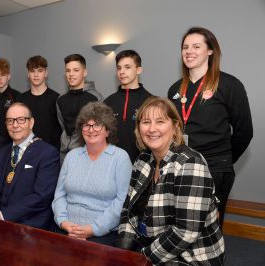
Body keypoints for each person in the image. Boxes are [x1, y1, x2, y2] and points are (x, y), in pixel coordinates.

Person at [115, 96, 225, 265]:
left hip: (191, 257)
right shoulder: (142, 161)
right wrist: (123, 249)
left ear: (175, 127)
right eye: (145, 122)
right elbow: (127, 210)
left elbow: (186, 232)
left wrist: (142, 258)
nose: (152, 129)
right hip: (150, 245)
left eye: (160, 121)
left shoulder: (190, 163)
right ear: (139, 129)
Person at [168, 27, 253, 226]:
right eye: (185, 47)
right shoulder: (175, 89)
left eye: (196, 46)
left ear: (210, 51)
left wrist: (223, 159)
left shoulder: (229, 85)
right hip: (182, 165)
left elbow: (244, 132)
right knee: (182, 223)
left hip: (214, 167)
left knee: (210, 227)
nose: (189, 51)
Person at [52, 102, 132, 246]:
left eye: (97, 125)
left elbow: (121, 202)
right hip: (66, 230)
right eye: (86, 125)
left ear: (108, 131)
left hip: (102, 236)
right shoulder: (71, 156)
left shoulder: (120, 158)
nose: (91, 129)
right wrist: (63, 222)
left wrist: (92, 229)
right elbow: (59, 194)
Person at [0, 102, 60, 230]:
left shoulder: (48, 153)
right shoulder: (1, 152)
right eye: (10, 121)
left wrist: (2, 216)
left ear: (31, 122)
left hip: (29, 226)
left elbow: (41, 197)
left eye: (21, 120)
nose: (15, 125)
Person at [105, 49, 152, 163]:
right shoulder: (107, 102)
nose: (122, 71)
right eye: (119, 68)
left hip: (143, 165)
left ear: (138, 70)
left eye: (127, 67)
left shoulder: (151, 101)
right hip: (112, 164)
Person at [56, 54, 103, 161]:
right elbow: (63, 125)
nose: (71, 74)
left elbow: (99, 129)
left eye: (76, 70)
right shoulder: (60, 99)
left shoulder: (95, 98)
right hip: (65, 154)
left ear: (85, 72)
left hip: (88, 154)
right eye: (68, 70)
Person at [17, 55, 62, 150]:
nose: (36, 75)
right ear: (28, 74)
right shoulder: (21, 99)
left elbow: (62, 130)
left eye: (40, 71)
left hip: (51, 152)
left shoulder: (57, 99)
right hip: (26, 151)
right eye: (32, 71)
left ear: (46, 73)